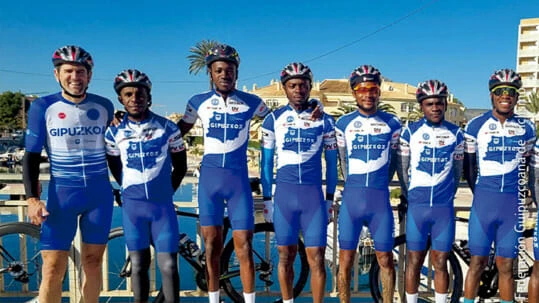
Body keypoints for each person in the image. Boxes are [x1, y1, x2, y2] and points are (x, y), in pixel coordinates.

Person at [22, 45, 115, 303]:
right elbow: (30, 156)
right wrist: (31, 198)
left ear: (90, 75)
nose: (75, 77)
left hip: (99, 196)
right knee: (53, 268)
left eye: (81, 71)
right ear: (57, 74)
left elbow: (115, 152)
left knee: (93, 262)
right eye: (69, 71)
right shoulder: (43, 106)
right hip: (61, 196)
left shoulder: (104, 106)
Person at [177, 43, 268, 303]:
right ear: (210, 73)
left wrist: (312, 110)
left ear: (236, 73)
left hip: (238, 182)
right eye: (219, 70)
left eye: (230, 70)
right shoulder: (197, 102)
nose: (225, 75)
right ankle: (214, 300)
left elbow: (281, 121)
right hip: (209, 182)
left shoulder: (253, 102)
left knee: (245, 248)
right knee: (211, 248)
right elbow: (176, 132)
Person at [105, 69, 187, 303]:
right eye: (128, 94)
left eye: (140, 94)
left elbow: (180, 167)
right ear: (120, 99)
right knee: (139, 264)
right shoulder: (113, 133)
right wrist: (127, 189)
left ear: (148, 96)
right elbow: (114, 165)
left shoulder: (168, 128)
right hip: (133, 209)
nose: (134, 99)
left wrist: (166, 191)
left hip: (162, 207)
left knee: (169, 266)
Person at [259, 62, 337, 303]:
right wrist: (268, 199)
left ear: (310, 87)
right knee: (285, 257)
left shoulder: (324, 120)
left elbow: (332, 165)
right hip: (284, 198)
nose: (298, 90)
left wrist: (329, 199)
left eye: (303, 85)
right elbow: (266, 164)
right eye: (292, 85)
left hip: (313, 199)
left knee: (317, 258)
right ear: (284, 88)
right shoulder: (272, 120)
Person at [462, 69, 535, 303]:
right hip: (484, 203)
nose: (506, 96)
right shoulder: (475, 126)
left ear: (516, 96)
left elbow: (526, 165)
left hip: (512, 206)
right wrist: (482, 193)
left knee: (506, 265)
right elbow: (469, 168)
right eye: (500, 91)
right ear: (492, 95)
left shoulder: (527, 129)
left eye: (511, 92)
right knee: (477, 263)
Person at [335, 65, 401, 303]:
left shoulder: (393, 123)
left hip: (379, 201)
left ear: (379, 92)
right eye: (362, 89)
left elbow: (394, 161)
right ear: (354, 93)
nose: (367, 94)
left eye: (372, 89)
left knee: (385, 259)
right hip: (352, 200)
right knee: (345, 260)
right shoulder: (343, 123)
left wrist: (381, 182)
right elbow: (343, 161)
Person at [397, 80, 464, 303]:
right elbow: (403, 170)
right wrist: (411, 195)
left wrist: (447, 194)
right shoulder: (410, 132)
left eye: (439, 103)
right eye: (429, 104)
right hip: (418, 207)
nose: (435, 107)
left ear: (445, 105)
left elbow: (457, 171)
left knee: (440, 262)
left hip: (443, 209)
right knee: (414, 261)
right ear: (422, 107)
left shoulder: (457, 134)